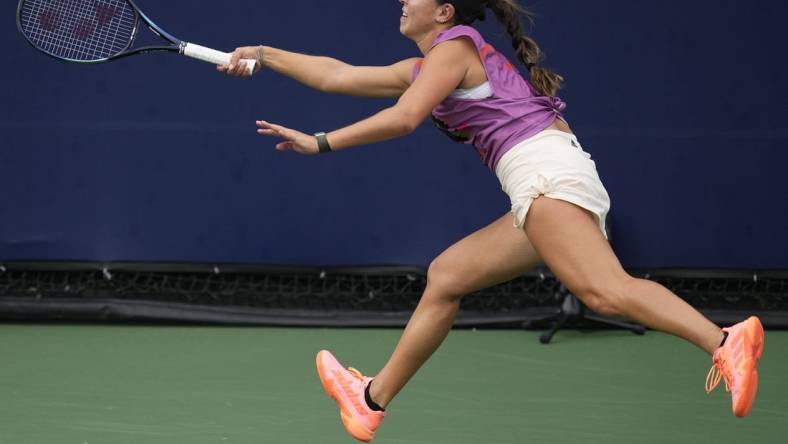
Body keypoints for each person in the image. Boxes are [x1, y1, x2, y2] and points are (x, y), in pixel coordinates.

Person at [219, 0, 765, 441]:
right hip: (543, 178)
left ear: (445, 12)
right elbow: (339, 76)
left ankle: (723, 340)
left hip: (544, 174)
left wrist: (321, 142)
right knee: (448, 276)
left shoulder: (454, 49)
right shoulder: (429, 65)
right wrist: (264, 54)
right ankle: (370, 402)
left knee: (603, 292)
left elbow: (406, 117)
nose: (402, 1)